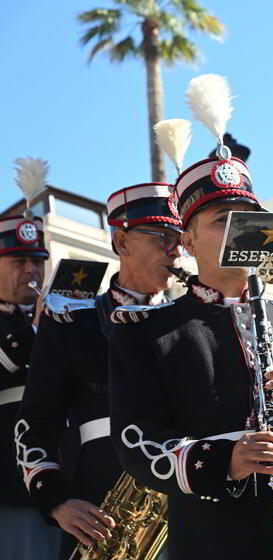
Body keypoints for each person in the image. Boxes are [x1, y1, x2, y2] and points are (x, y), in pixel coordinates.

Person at [107, 96, 273, 560]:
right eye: (222, 221)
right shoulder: (147, 331)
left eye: (248, 220)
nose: (241, 231)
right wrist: (225, 459)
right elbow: (137, 442)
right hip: (216, 538)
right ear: (189, 242)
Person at [14, 182, 182, 557]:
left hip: (191, 508)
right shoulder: (72, 321)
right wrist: (57, 500)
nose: (176, 251)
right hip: (101, 505)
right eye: (161, 237)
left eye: (179, 238)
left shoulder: (194, 321)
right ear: (121, 243)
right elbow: (36, 424)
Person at [0, 158, 62, 559]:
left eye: (37, 261)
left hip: (63, 478)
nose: (31, 271)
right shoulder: (33, 324)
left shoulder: (52, 318)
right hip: (8, 480)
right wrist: (39, 329)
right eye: (19, 262)